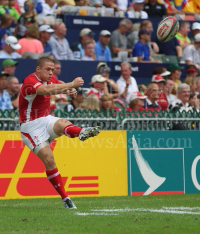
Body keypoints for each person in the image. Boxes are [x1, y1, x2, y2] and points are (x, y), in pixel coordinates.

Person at [19, 57, 101, 209]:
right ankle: (66, 199)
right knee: (49, 160)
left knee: (62, 122)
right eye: (48, 69)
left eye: (52, 69)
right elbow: (46, 90)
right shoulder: (30, 81)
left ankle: (81, 132)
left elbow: (58, 84)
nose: (51, 73)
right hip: (30, 126)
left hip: (46, 118)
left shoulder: (51, 78)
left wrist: (69, 89)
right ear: (38, 69)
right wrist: (72, 84)